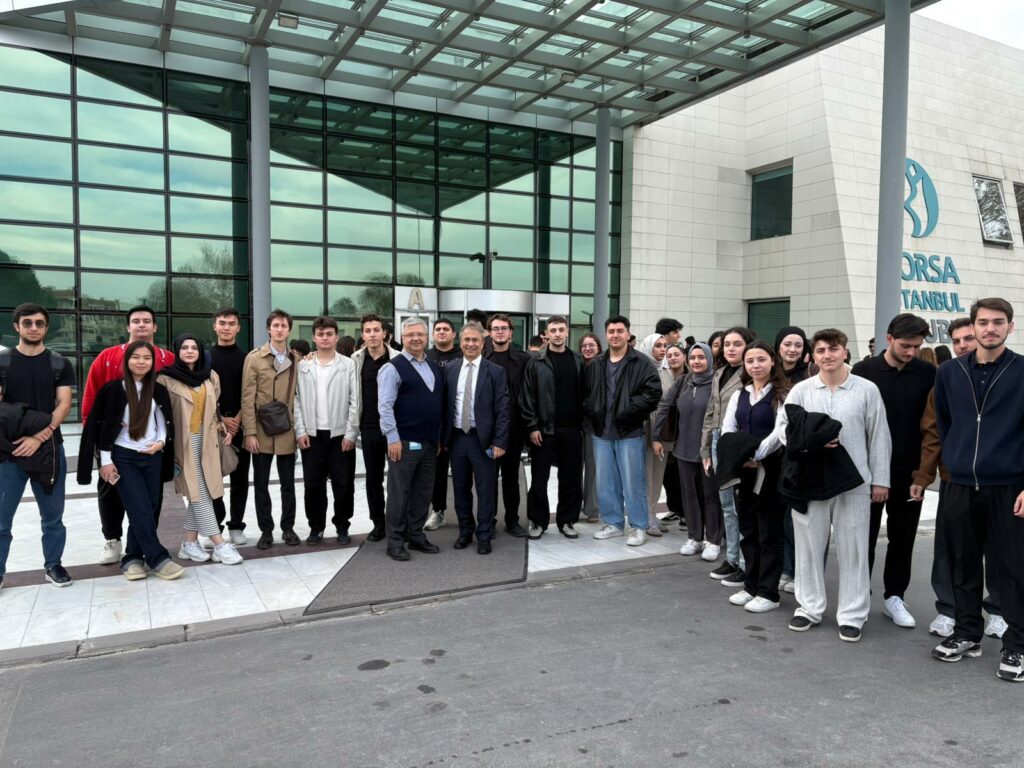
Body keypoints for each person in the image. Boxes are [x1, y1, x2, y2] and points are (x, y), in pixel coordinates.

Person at [777, 328, 891, 642]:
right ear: (813, 355)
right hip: (809, 480)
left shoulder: (866, 390)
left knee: (854, 549)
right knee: (808, 547)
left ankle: (853, 614)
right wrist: (810, 440)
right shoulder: (801, 390)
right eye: (821, 350)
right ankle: (809, 608)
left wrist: (880, 480)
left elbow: (878, 436)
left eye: (833, 349)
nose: (827, 355)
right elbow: (784, 430)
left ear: (844, 351)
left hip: (853, 481)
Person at [932, 298, 1024, 682]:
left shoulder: (1022, 370)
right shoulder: (949, 372)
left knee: (1012, 569)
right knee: (962, 564)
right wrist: (955, 461)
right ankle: (967, 633)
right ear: (973, 326)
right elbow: (945, 422)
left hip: (1009, 485)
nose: (990, 328)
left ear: (1010, 327)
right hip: (960, 484)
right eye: (983, 322)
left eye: (998, 322)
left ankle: (1017, 645)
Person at [909, 317, 1004, 638]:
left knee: (1000, 550)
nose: (962, 345)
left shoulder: (1009, 376)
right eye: (957, 341)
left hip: (1000, 481)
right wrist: (923, 477)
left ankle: (999, 610)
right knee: (950, 550)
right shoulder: (947, 379)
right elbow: (933, 433)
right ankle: (949, 610)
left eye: (968, 338)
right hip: (956, 479)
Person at [852, 313, 935, 630]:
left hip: (909, 472)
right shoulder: (864, 371)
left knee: (903, 537)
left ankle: (895, 597)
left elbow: (931, 428)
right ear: (889, 339)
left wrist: (923, 474)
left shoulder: (928, 373)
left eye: (917, 346)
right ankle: (859, 596)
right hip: (868, 471)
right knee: (864, 537)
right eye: (905, 346)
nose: (912, 352)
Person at [77, 341, 183, 581]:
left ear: (152, 363)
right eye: (136, 357)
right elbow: (103, 428)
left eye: (147, 358)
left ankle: (133, 558)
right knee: (139, 508)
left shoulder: (158, 390)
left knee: (150, 508)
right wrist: (105, 461)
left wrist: (161, 443)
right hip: (123, 457)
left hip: (152, 457)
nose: (141, 362)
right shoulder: (113, 390)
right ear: (127, 361)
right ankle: (158, 558)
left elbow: (163, 421)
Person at [0, 303, 75, 589]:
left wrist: (38, 437)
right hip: (10, 452)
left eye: (39, 323)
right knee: (1, 519)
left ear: (46, 327)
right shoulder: (3, 362)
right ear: (16, 327)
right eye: (27, 323)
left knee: (53, 516)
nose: (33, 328)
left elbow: (64, 404)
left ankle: (53, 565)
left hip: (49, 451)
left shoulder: (59, 363)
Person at [159, 334, 243, 566]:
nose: (189, 351)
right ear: (177, 351)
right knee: (200, 493)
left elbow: (214, 408)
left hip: (208, 442)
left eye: (194, 347)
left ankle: (188, 543)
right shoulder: (165, 379)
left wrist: (222, 427)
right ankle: (219, 543)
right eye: (184, 347)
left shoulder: (210, 376)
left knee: (203, 491)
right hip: (183, 444)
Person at [720, 342, 790, 613]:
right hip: (744, 470)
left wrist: (755, 454)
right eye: (750, 361)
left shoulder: (783, 394)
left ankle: (768, 592)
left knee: (769, 532)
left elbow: (779, 433)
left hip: (771, 469)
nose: (755, 365)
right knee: (748, 530)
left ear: (772, 361)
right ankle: (751, 585)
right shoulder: (740, 394)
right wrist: (741, 457)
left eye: (761, 359)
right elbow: (728, 429)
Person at [586, 315, 662, 547]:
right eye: (611, 331)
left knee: (633, 482)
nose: (615, 335)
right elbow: (587, 393)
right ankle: (614, 523)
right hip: (601, 432)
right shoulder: (597, 363)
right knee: (606, 481)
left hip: (629, 431)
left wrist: (627, 409)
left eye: (620, 331)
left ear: (628, 334)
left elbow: (653, 393)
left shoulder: (641, 362)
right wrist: (592, 410)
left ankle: (639, 526)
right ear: (606, 334)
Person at [378, 317, 442, 561]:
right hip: (403, 443)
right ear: (402, 338)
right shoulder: (392, 368)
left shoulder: (433, 366)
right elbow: (385, 406)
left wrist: (437, 437)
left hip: (429, 443)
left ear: (427, 337)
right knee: (399, 493)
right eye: (410, 334)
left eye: (420, 334)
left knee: (423, 493)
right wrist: (392, 438)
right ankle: (395, 542)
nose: (415, 338)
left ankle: (415, 535)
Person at [443, 322, 509, 554]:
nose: (470, 344)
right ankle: (465, 531)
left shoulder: (496, 371)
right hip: (457, 439)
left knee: (486, 490)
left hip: (484, 441)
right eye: (467, 340)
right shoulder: (450, 369)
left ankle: (484, 535)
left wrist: (499, 441)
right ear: (460, 342)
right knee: (460, 489)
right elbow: (445, 406)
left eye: (475, 340)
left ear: (483, 344)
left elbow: (503, 409)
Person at [294, 316, 359, 546]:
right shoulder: (303, 366)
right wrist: (300, 430)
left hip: (339, 435)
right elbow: (296, 400)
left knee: (343, 484)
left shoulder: (348, 364)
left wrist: (351, 433)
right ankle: (316, 527)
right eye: (320, 334)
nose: (325, 338)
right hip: (312, 435)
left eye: (329, 334)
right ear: (314, 337)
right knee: (313, 485)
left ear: (336, 337)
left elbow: (355, 401)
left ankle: (342, 525)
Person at [654, 343, 721, 560]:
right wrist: (656, 436)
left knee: (710, 496)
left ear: (709, 359)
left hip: (708, 451)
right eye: (693, 358)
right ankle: (694, 537)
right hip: (683, 449)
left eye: (701, 357)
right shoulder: (683, 381)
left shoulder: (717, 382)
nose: (697, 362)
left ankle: (713, 540)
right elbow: (664, 406)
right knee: (689, 495)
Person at [241, 309, 300, 550]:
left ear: (289, 330)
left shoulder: (297, 359)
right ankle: (266, 530)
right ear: (268, 329)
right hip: (261, 429)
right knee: (261, 484)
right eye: (275, 325)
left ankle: (288, 527)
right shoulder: (254, 358)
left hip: (286, 429)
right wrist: (250, 432)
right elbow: (247, 398)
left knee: (288, 484)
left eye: (284, 326)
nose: (279, 329)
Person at [521, 315, 584, 540]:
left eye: (561, 329)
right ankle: (538, 521)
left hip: (572, 430)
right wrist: (532, 426)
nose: (557, 334)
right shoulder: (536, 361)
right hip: (544, 431)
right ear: (546, 334)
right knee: (539, 479)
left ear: (567, 332)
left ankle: (567, 521)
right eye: (553, 330)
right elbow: (527, 397)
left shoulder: (578, 360)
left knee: (571, 480)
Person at [700, 327, 754, 586]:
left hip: (739, 442)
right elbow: (711, 413)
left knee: (740, 504)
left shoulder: (751, 373)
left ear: (748, 346)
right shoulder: (719, 373)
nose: (731, 348)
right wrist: (705, 449)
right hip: (717, 440)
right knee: (726, 504)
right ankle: (732, 558)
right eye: (727, 344)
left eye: (737, 344)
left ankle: (745, 562)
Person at [484, 313, 530, 537]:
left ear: (511, 333)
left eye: (504, 328)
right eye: (496, 328)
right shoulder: (482, 358)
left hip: (514, 429)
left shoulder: (523, 359)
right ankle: (489, 521)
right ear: (489, 332)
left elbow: (529, 394)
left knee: (511, 478)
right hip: (487, 429)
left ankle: (512, 520)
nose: (500, 332)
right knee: (488, 478)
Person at [209, 308, 249, 546]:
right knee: (213, 479)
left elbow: (250, 393)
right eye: (222, 323)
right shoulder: (205, 358)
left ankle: (236, 525)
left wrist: (238, 420)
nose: (226, 327)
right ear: (215, 326)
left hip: (241, 426)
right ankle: (215, 526)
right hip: (213, 426)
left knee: (240, 479)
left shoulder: (247, 358)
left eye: (231, 323)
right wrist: (221, 419)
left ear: (238, 328)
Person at [773, 325, 809, 594]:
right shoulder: (769, 373)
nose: (792, 349)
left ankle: (797, 570)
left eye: (798, 345)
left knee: (793, 516)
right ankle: (783, 567)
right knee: (775, 515)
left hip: (796, 455)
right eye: (787, 344)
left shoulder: (810, 375)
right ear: (778, 347)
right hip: (769, 454)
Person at [352, 313, 393, 542]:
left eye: (376, 330)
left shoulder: (397, 358)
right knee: (373, 479)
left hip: (394, 428)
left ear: (384, 333)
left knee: (397, 479)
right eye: (368, 331)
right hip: (368, 428)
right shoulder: (355, 360)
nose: (372, 334)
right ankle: (378, 523)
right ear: (363, 335)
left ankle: (397, 522)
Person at [425, 318, 461, 532]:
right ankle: (438, 511)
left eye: (446, 329)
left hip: (459, 422)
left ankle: (465, 513)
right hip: (434, 423)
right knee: (437, 472)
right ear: (433, 334)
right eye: (437, 329)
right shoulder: (426, 356)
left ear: (453, 334)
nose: (441, 332)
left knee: (462, 472)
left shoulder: (463, 354)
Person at [637, 333, 672, 537]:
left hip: (663, 428)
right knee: (645, 476)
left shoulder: (666, 369)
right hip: (645, 427)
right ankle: (646, 517)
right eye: (657, 345)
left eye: (664, 345)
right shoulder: (641, 367)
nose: (662, 349)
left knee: (658, 475)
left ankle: (652, 513)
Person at [578, 333, 603, 524]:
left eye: (591, 345)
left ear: (598, 347)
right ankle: (575, 505)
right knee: (575, 467)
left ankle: (592, 508)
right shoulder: (577, 365)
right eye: (584, 346)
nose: (587, 349)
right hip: (576, 424)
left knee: (593, 468)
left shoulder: (603, 366)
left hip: (595, 425)